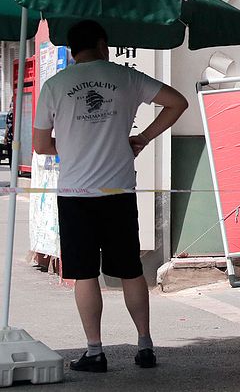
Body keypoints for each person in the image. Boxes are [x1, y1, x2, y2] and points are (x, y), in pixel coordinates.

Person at [33, 20, 189, 372]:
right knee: (130, 270)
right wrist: (144, 137)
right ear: (103, 45)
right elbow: (177, 103)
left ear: (71, 51)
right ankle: (146, 346)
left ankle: (94, 351)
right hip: (118, 190)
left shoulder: (55, 86)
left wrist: (72, 145)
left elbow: (42, 146)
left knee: (85, 274)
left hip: (75, 194)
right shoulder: (125, 77)